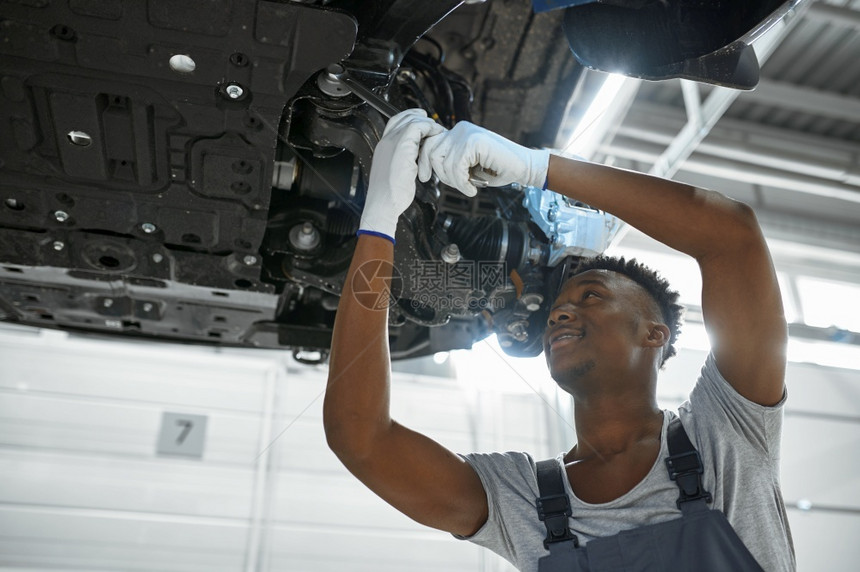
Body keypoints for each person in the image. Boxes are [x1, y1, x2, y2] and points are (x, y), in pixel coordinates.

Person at [324, 109, 794, 571]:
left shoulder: (726, 434)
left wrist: (536, 167)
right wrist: (378, 221)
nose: (561, 312)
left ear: (655, 334)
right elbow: (362, 438)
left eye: (592, 295)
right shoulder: (526, 501)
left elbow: (733, 236)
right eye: (557, 309)